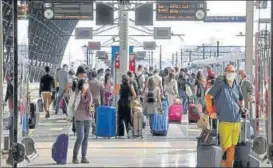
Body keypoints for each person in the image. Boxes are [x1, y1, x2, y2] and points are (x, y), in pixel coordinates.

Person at [207, 65, 247, 167]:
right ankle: (216, 163)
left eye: (233, 71)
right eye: (229, 71)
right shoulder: (220, 84)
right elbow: (208, 96)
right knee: (225, 146)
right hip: (225, 121)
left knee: (232, 146)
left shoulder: (236, 86)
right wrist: (211, 111)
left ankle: (229, 165)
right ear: (225, 73)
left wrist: (242, 107)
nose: (231, 73)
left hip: (236, 120)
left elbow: (241, 98)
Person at [68, 67, 92, 164]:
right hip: (78, 117)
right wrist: (69, 117)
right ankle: (74, 157)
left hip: (88, 117)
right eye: (85, 87)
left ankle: (84, 157)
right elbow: (70, 105)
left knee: (86, 137)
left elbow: (91, 104)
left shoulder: (89, 95)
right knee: (80, 137)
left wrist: (92, 112)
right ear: (81, 88)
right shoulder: (76, 94)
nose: (86, 88)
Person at [89, 70, 104, 135]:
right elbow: (102, 93)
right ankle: (97, 128)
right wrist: (102, 101)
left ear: (91, 75)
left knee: (91, 114)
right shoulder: (100, 82)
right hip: (98, 101)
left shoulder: (89, 83)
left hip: (91, 102)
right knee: (97, 114)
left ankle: (93, 127)